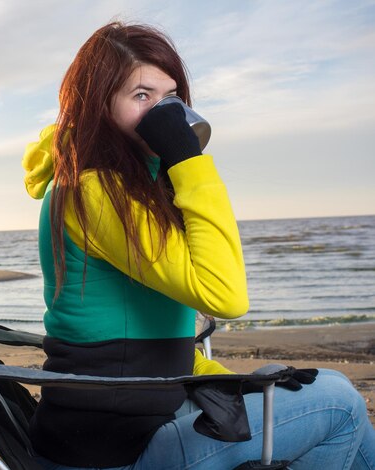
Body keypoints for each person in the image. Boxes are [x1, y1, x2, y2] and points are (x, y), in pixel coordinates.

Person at [22, 21, 374, 469]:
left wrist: (236, 381)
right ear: (97, 105)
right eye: (141, 96)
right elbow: (224, 295)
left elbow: (141, 342)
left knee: (312, 396)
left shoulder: (125, 189)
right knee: (341, 401)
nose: (161, 113)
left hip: (136, 417)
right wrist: (189, 161)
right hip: (110, 451)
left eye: (169, 99)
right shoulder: (92, 193)